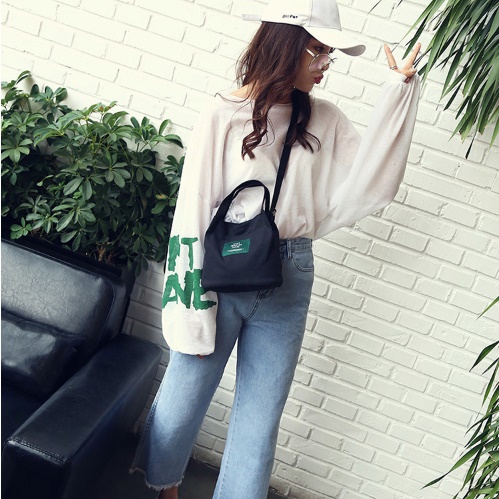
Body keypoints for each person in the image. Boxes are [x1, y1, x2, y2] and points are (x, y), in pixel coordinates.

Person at [130, 0, 421, 497]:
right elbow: (193, 209)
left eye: (329, 55)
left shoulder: (324, 118)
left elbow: (372, 181)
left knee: (260, 420)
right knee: (185, 391)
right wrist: (189, 302)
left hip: (291, 271)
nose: (325, 65)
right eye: (317, 52)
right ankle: (162, 487)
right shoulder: (223, 113)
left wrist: (399, 94)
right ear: (286, 45)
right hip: (221, 268)